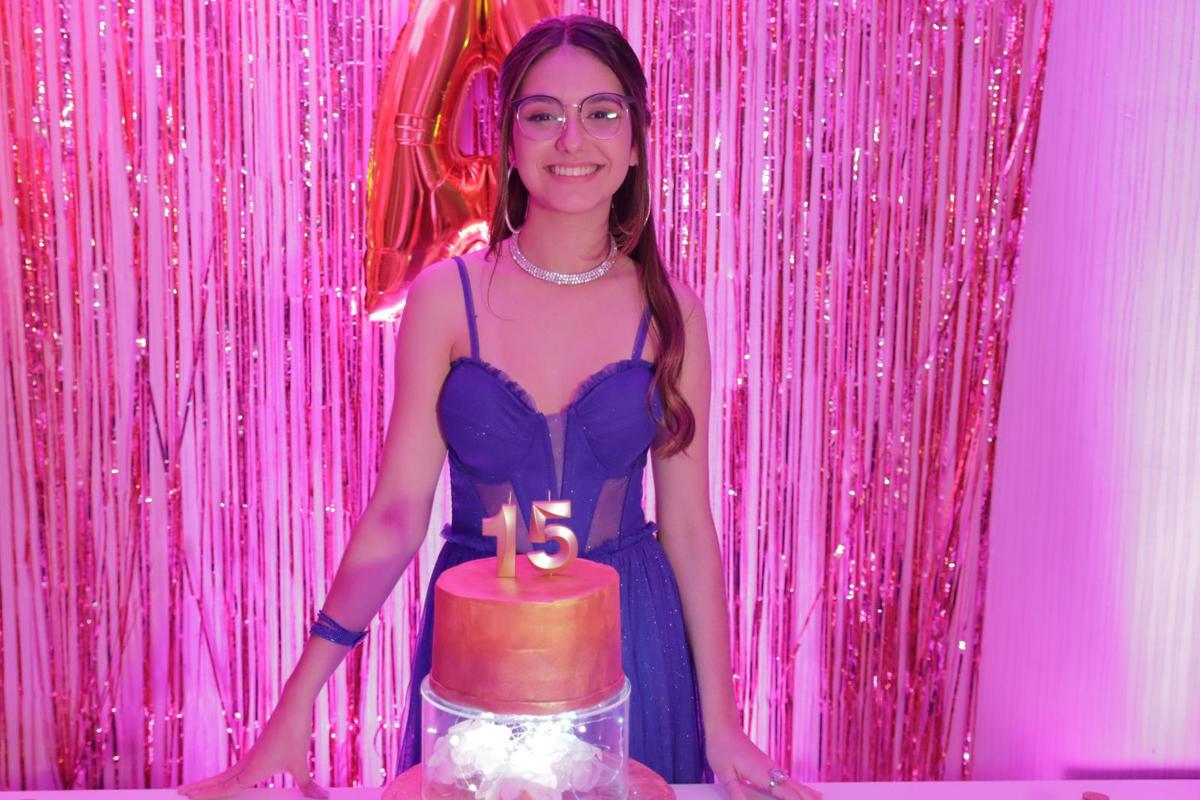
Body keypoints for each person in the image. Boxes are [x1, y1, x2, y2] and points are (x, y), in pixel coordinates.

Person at [179, 14, 817, 800]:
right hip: (478, 655)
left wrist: (723, 725)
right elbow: (396, 515)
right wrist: (296, 703)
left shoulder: (670, 311)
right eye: (543, 114)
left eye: (601, 112)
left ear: (637, 141)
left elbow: (687, 525)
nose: (572, 140)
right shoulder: (445, 299)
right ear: (508, 139)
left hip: (633, 647)